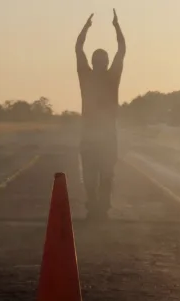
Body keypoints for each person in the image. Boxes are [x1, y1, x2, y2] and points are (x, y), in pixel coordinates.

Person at [75, 9, 126, 220]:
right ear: (105, 62)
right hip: (103, 133)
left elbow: (78, 49)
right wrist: (116, 26)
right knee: (104, 173)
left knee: (93, 174)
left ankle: (96, 206)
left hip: (94, 133)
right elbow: (121, 50)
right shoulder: (112, 76)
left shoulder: (86, 76)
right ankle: (101, 207)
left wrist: (86, 28)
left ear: (96, 62)